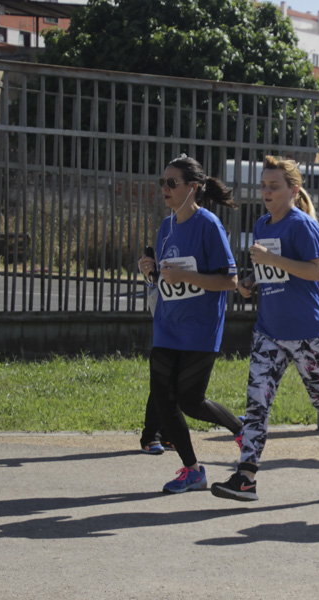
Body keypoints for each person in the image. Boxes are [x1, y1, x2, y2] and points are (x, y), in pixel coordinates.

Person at [211, 156, 319, 502]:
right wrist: (251, 280)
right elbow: (272, 273)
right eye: (263, 186)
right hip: (269, 331)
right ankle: (246, 476)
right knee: (256, 405)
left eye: (274, 186)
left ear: (293, 190)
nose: (266, 192)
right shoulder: (262, 224)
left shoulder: (302, 225)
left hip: (309, 334)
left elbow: (318, 272)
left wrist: (272, 260)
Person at [137, 155, 244, 494]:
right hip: (168, 323)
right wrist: (150, 270)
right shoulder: (167, 225)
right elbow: (167, 276)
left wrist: (186, 276)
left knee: (191, 400)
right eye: (162, 183)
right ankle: (192, 470)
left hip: (199, 326)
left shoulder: (209, 224)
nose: (165, 189)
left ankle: (241, 428)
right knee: (162, 397)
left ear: (192, 188)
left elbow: (230, 280)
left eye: (172, 183)